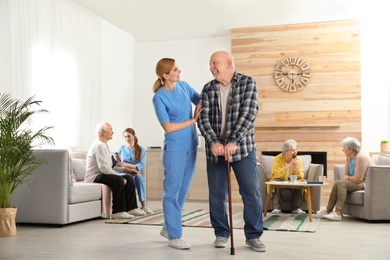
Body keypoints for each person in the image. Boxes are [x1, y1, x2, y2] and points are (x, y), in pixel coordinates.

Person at [197, 50, 265, 252]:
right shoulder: (208, 89)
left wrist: (233, 141)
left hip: (243, 149)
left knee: (250, 192)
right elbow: (203, 118)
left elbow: (249, 113)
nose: (211, 67)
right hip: (216, 151)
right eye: (210, 64)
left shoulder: (248, 83)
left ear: (228, 63)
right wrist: (213, 142)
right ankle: (221, 233)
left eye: (214, 63)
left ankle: (253, 235)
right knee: (217, 195)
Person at [152, 58, 203, 250]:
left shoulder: (184, 87)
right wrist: (193, 120)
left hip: (191, 144)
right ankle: (174, 236)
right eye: (175, 69)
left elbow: (201, 102)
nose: (179, 71)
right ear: (165, 75)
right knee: (172, 190)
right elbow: (168, 127)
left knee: (183, 189)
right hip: (175, 147)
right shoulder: (159, 97)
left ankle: (167, 226)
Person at [85, 122, 146, 219]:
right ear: (103, 132)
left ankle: (131, 208)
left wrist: (128, 171)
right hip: (95, 176)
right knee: (118, 180)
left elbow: (112, 166)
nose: (113, 132)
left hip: (102, 174)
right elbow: (104, 168)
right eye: (110, 130)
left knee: (129, 178)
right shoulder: (99, 146)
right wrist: (119, 177)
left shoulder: (104, 145)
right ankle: (117, 211)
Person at [316, 137, 375, 221]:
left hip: (365, 184)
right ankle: (328, 211)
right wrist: (350, 178)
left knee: (341, 183)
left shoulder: (361, 157)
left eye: (344, 148)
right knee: (337, 182)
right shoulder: (349, 158)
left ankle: (338, 213)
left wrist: (349, 178)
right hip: (355, 181)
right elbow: (345, 175)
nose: (342, 150)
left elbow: (359, 179)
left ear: (350, 149)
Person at [115, 127, 153, 214]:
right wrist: (118, 160)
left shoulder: (141, 150)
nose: (127, 139)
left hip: (135, 173)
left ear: (134, 136)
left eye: (129, 136)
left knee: (139, 178)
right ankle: (131, 207)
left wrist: (126, 164)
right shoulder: (121, 149)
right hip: (122, 172)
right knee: (129, 178)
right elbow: (118, 164)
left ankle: (143, 206)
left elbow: (140, 165)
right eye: (125, 137)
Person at [268, 139, 306, 215]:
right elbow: (275, 174)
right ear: (286, 152)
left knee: (301, 182)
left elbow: (301, 176)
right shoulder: (277, 159)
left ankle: (296, 208)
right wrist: (288, 166)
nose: (295, 152)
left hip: (293, 183)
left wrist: (296, 167)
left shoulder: (298, 159)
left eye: (295, 150)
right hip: (281, 182)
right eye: (293, 150)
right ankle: (277, 208)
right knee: (276, 181)